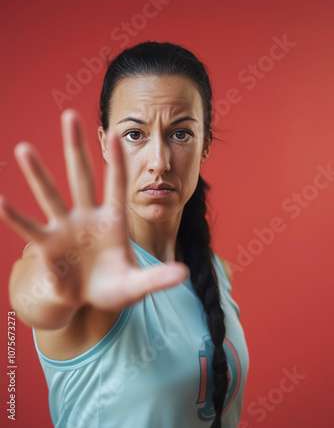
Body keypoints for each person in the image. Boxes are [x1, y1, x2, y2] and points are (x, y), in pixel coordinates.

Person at [0, 41, 249, 428]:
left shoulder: (218, 273)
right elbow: (33, 297)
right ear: (104, 143)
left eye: (180, 134)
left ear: (206, 145)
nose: (159, 162)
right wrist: (55, 284)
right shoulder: (84, 268)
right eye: (135, 134)